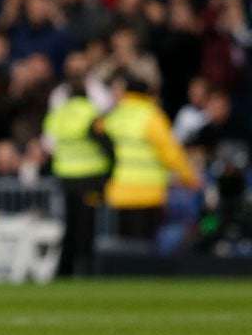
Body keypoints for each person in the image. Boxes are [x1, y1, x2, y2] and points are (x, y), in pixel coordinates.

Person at [102, 72, 201, 242]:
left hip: (119, 191)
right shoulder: (151, 116)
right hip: (148, 193)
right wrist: (190, 177)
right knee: (143, 246)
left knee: (122, 246)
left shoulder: (113, 117)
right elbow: (171, 152)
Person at [42, 71, 112, 277]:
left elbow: (48, 143)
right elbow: (106, 142)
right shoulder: (92, 113)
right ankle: (86, 268)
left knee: (70, 224)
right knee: (87, 225)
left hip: (65, 177)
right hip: (90, 177)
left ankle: (65, 269)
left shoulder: (58, 114)